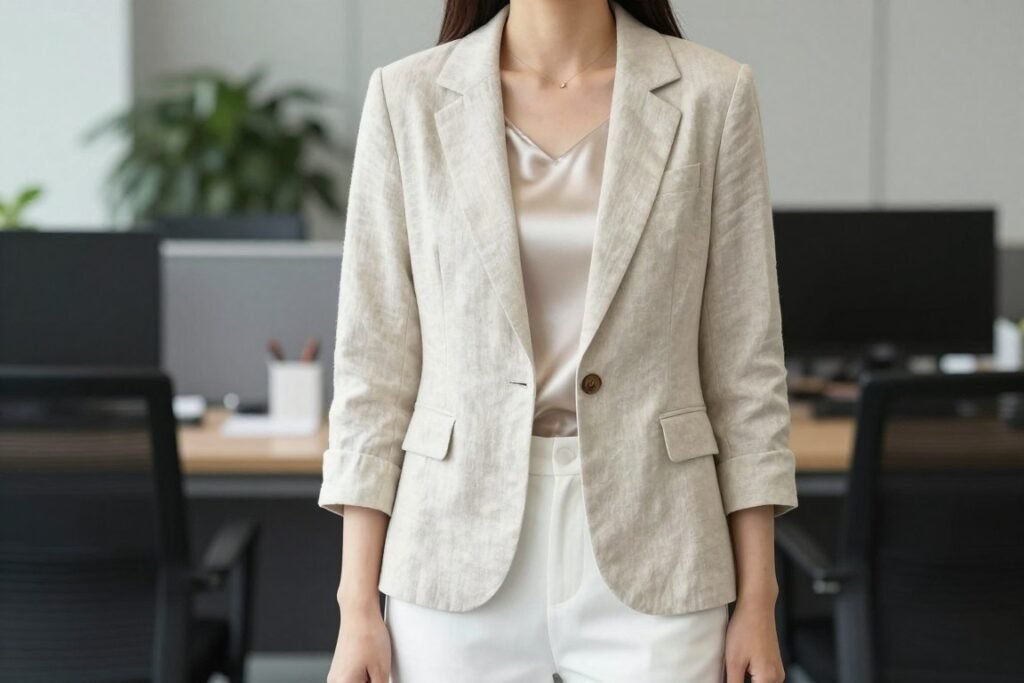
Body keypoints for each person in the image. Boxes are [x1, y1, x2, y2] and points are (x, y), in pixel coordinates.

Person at [321, 1, 798, 681]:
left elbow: (745, 368)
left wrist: (759, 597)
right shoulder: (407, 98)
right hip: (454, 546)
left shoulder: (713, 95)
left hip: (659, 540)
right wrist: (355, 605)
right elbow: (374, 369)